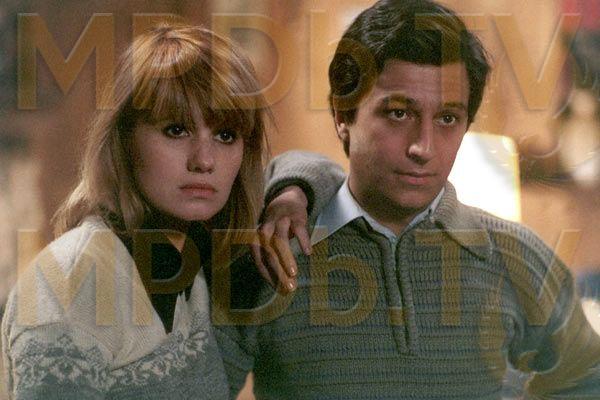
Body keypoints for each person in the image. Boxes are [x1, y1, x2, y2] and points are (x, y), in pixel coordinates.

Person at [214, 0, 600, 399]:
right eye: (399, 113)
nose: (423, 147)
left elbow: (588, 380)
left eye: (448, 119)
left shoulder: (517, 258)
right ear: (342, 116)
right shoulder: (273, 256)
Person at [0, 23, 317, 399]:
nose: (204, 160)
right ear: (124, 140)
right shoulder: (71, 283)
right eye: (176, 130)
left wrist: (291, 195)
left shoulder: (190, 261)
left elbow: (320, 169)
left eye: (225, 135)